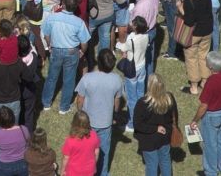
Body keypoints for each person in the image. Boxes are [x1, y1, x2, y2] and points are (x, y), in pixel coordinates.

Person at [190, 51, 221, 176]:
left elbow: (203, 106)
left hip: (212, 116)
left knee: (210, 146)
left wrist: (194, 120)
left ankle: (211, 172)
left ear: (211, 67)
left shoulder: (211, 82)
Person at [75, 48, 123, 176]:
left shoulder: (87, 78)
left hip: (87, 122)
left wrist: (79, 112)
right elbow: (117, 102)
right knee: (104, 151)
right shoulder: (117, 79)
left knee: (85, 150)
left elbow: (80, 100)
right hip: (106, 122)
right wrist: (115, 115)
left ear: (99, 63)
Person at [41, 0, 90, 113]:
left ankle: (46, 103)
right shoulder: (79, 22)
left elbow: (46, 34)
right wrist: (82, 51)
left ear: (63, 4)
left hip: (56, 50)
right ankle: (64, 107)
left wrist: (49, 45)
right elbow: (84, 42)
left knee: (51, 77)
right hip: (72, 52)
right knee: (69, 79)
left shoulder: (52, 18)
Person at [134, 74, 178, 176]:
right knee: (165, 161)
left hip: (148, 140)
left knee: (152, 164)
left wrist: (155, 128)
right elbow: (175, 116)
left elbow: (137, 125)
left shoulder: (143, 103)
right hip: (165, 137)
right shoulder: (169, 98)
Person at [178, 0, 213, 95]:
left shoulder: (188, 1)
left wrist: (180, 8)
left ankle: (194, 86)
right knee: (204, 55)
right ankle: (205, 81)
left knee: (191, 58)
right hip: (207, 31)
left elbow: (188, 21)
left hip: (194, 34)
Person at [0, 105, 30, 176]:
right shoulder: (23, 129)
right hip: (22, 162)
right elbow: (28, 141)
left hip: (4, 165)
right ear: (13, 117)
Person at [61, 111, 100, 176]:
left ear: (74, 123)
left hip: (73, 172)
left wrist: (62, 171)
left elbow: (66, 158)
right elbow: (96, 152)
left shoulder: (70, 141)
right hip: (89, 171)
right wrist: (93, 164)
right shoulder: (94, 135)